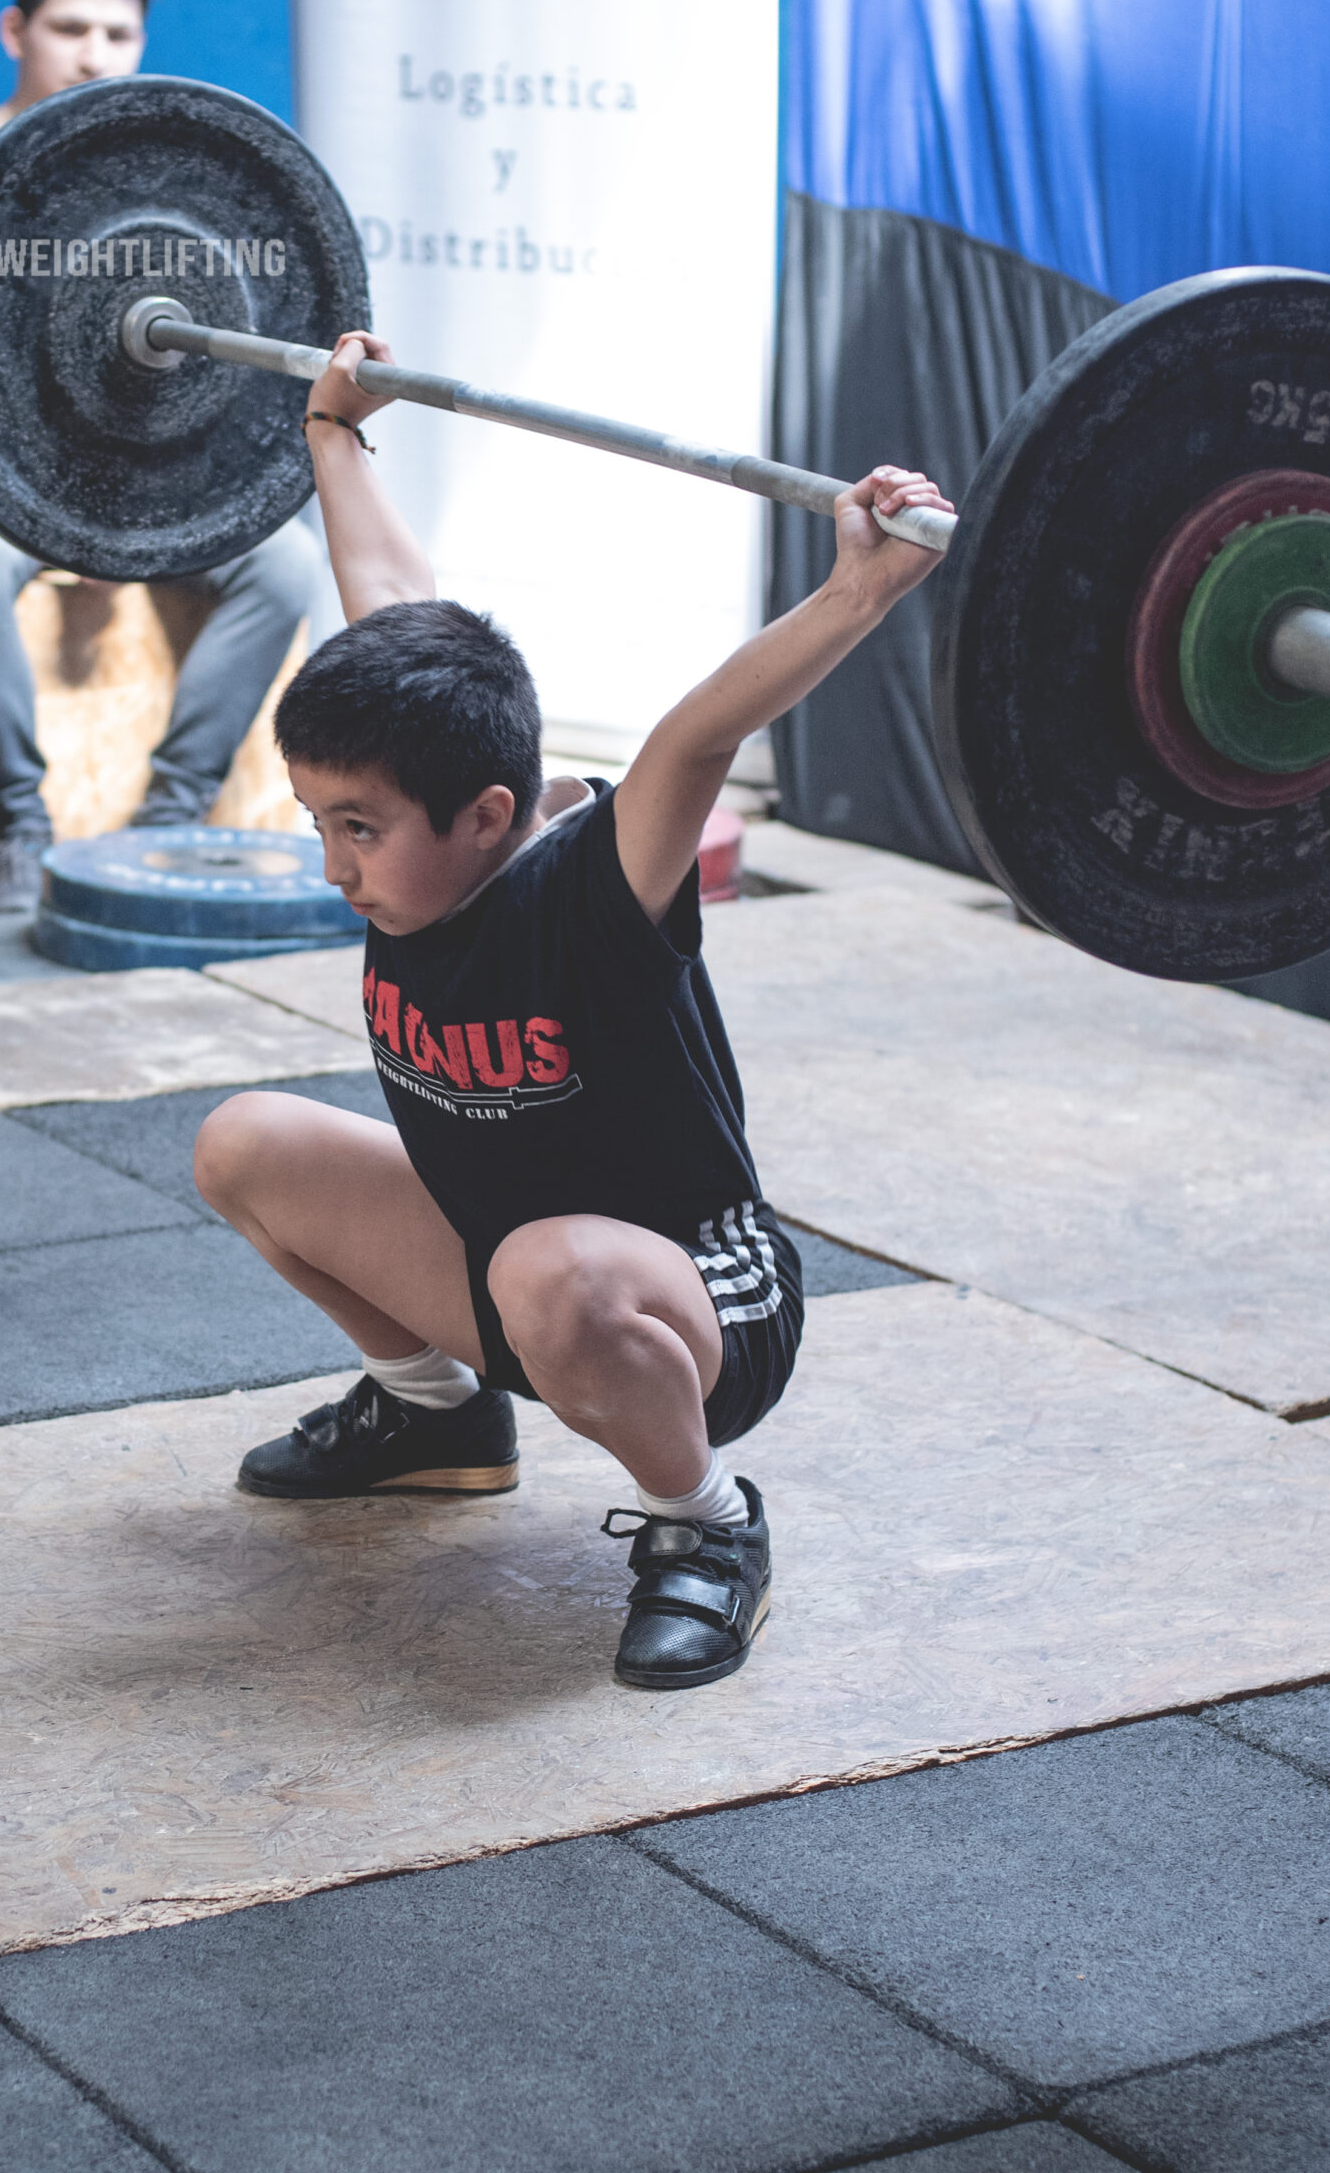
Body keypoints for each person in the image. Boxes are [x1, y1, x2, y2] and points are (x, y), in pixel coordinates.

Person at [193, 334, 952, 1690]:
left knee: (554, 1268)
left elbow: (695, 738)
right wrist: (332, 431)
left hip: (694, 1304)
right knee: (244, 1145)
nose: (332, 865)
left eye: (357, 829)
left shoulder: (592, 897)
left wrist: (860, 590)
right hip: (512, 1272)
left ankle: (705, 1527)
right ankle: (438, 1418)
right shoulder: (423, 781)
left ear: (489, 818)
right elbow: (389, 592)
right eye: (318, 822)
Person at [0, 0, 340, 911]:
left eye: (118, 35)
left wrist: (111, 510)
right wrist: (54, 512)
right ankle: (19, 830)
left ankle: (168, 817)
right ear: (15, 29)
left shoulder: (167, 172)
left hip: (144, 484)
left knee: (290, 560)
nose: (94, 55)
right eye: (69, 27)